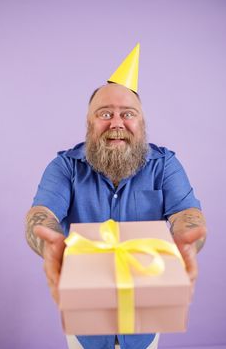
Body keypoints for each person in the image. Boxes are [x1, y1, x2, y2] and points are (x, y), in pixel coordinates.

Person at [25, 45, 206, 349]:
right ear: (89, 123)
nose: (117, 123)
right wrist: (48, 244)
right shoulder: (65, 167)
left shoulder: (165, 165)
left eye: (128, 114)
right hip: (85, 325)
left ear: (141, 123)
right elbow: (42, 215)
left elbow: (186, 214)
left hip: (145, 323)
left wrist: (186, 240)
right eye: (105, 114)